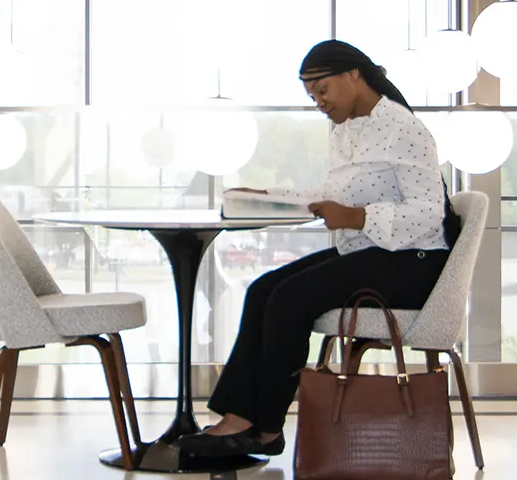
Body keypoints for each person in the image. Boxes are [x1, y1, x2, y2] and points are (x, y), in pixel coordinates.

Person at [178, 40, 459, 459]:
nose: (319, 103)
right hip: (366, 255)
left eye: (322, 90)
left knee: (291, 298)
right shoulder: (346, 131)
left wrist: (356, 217)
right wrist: (266, 195)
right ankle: (241, 418)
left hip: (411, 263)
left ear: (353, 75)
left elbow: (428, 213)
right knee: (262, 289)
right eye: (312, 96)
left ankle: (264, 427)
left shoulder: (405, 128)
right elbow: (327, 194)